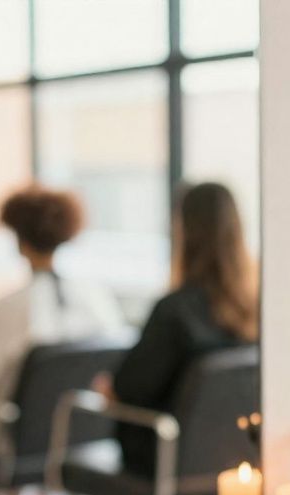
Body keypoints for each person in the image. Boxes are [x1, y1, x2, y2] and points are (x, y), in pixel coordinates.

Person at [0, 185, 126, 466]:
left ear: (19, 241)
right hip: (78, 444)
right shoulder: (96, 298)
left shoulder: (11, 308)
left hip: (5, 448)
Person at [96, 182, 259, 478]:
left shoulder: (174, 311)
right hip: (234, 456)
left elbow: (128, 389)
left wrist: (109, 389)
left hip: (163, 463)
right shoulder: (254, 310)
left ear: (183, 233)